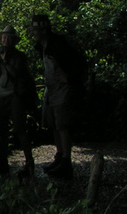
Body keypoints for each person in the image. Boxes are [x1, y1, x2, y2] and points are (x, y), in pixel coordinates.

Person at [30, 14, 87, 179]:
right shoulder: (44, 46)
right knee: (54, 124)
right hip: (52, 88)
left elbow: (76, 63)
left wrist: (68, 78)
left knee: (62, 125)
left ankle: (66, 161)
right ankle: (60, 155)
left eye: (35, 29)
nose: (33, 33)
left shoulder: (58, 45)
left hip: (62, 88)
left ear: (43, 30)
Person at [0, 25, 36, 177]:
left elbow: (18, 74)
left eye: (8, 37)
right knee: (1, 130)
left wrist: (5, 62)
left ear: (13, 40)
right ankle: (2, 162)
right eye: (3, 37)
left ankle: (29, 162)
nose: (5, 40)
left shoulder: (19, 56)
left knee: (20, 128)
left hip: (15, 96)